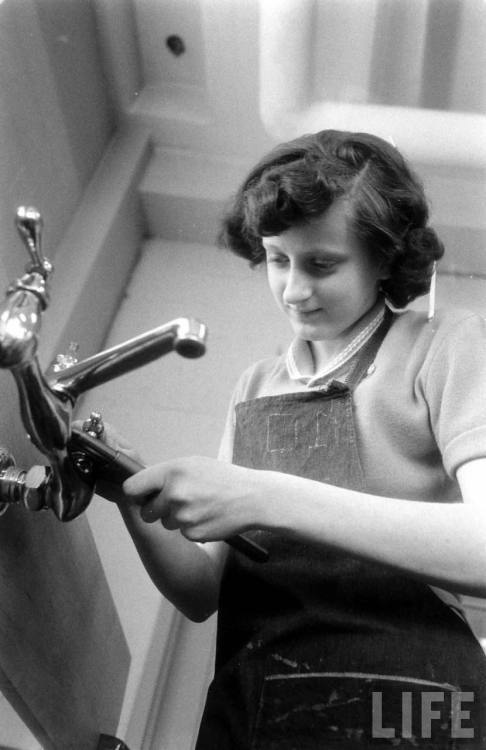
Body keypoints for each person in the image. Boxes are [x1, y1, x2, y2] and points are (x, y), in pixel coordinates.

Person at [98, 130, 486, 748]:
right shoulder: (255, 384)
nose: (294, 289)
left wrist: (265, 496)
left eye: (322, 264)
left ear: (384, 259)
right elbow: (202, 592)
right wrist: (122, 486)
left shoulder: (444, 345)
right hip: (254, 710)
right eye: (278, 259)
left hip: (417, 706)